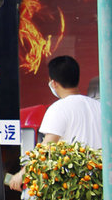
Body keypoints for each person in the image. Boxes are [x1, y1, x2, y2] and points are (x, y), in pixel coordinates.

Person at [8, 54, 102, 191]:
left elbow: (46, 149)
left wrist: (21, 175)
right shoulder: (99, 106)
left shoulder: (58, 109)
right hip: (100, 184)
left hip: (73, 187)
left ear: (54, 83)